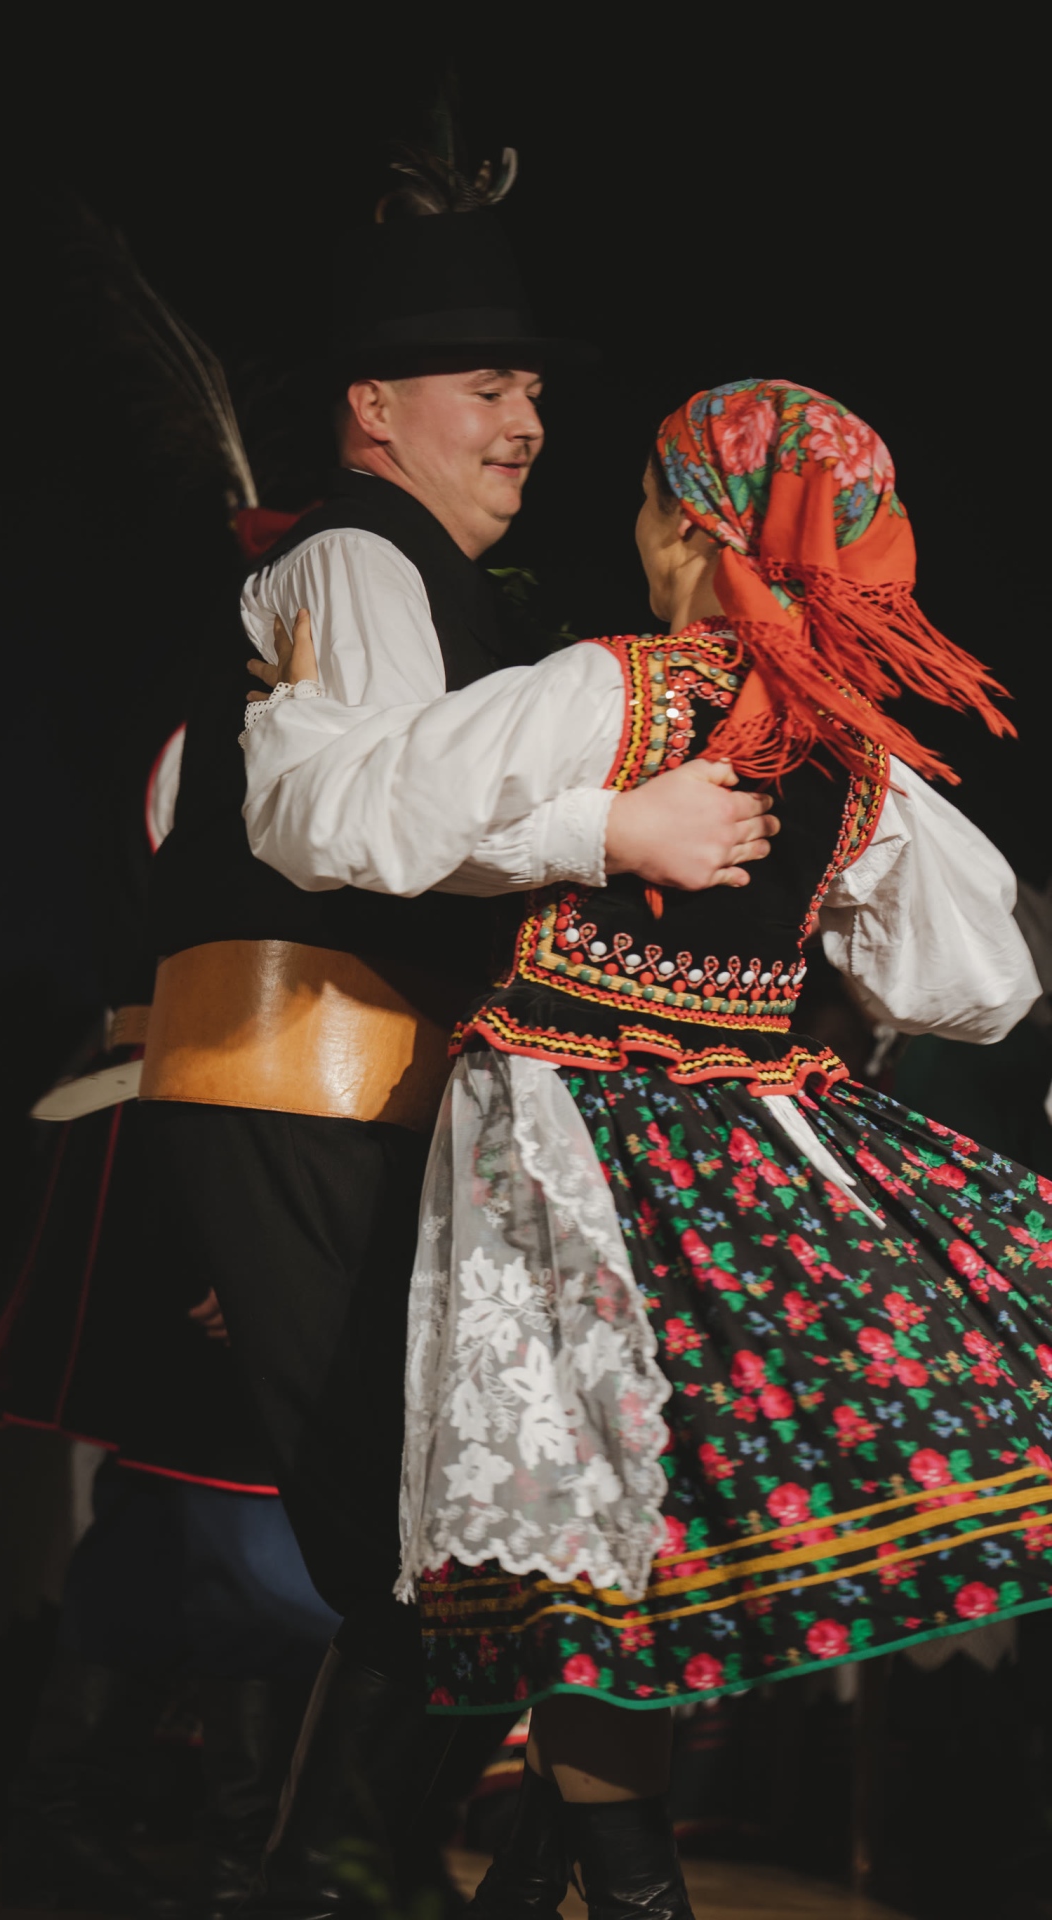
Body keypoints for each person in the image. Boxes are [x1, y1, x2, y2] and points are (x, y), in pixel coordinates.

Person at [240, 379, 1052, 1919]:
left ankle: (623, 1888)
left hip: (571, 1141)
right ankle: (559, 1868)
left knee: (575, 1530)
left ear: (687, 528)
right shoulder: (855, 753)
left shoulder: (610, 687)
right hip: (753, 1149)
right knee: (662, 1528)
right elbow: (984, 978)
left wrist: (303, 722)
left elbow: (338, 819)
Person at [143, 158, 778, 1914]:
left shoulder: (420, 579)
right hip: (311, 1070)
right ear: (374, 409)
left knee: (458, 1520)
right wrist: (607, 830)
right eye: (488, 388)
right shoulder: (358, 555)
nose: (529, 423)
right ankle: (360, 1876)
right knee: (421, 1523)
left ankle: (376, 1876)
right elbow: (346, 821)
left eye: (535, 393)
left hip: (361, 1083)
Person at [0, 718, 338, 1920]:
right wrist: (233, 1237)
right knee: (233, 1497)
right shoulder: (228, 737)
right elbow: (211, 992)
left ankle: (73, 1823)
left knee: (176, 1503)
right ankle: (235, 1867)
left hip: (247, 1140)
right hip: (216, 1141)